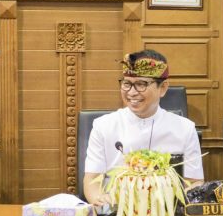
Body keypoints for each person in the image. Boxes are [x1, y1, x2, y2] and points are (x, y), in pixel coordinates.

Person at [83, 49, 204, 206]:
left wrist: (177, 205)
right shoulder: (103, 126)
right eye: (127, 84)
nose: (132, 92)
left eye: (141, 84)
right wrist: (101, 201)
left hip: (167, 213)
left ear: (163, 88)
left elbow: (194, 182)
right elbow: (92, 180)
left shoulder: (185, 129)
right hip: (116, 211)